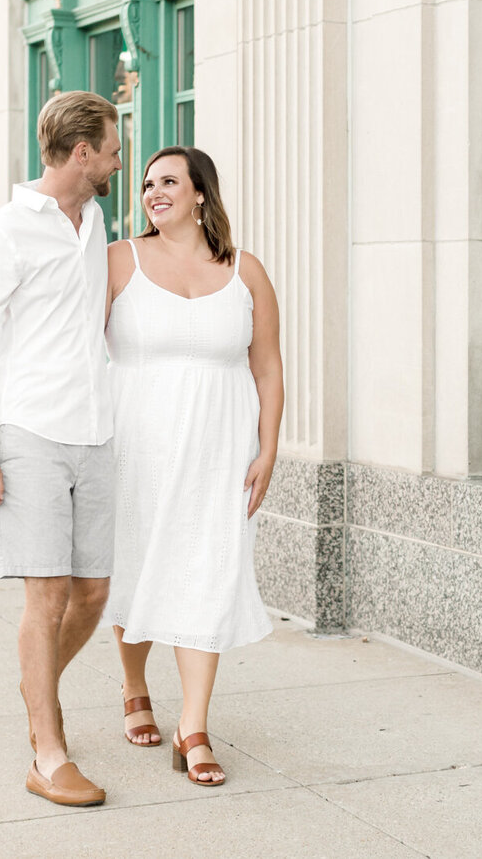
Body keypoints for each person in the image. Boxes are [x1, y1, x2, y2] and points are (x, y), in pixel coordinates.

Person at [0, 91, 123, 807]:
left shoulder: (95, 218)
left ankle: (35, 688)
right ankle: (47, 752)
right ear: (82, 154)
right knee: (46, 594)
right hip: (29, 433)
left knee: (94, 592)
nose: (119, 160)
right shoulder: (5, 233)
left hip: (97, 431)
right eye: (113, 149)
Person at [103, 146, 283, 787]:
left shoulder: (246, 271)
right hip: (137, 446)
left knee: (207, 573)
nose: (153, 191)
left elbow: (267, 368)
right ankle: (133, 687)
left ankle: (194, 727)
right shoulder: (118, 261)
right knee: (139, 567)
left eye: (168, 181)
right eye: (147, 182)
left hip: (220, 449)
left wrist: (267, 449)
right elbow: (77, 351)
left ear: (200, 193)